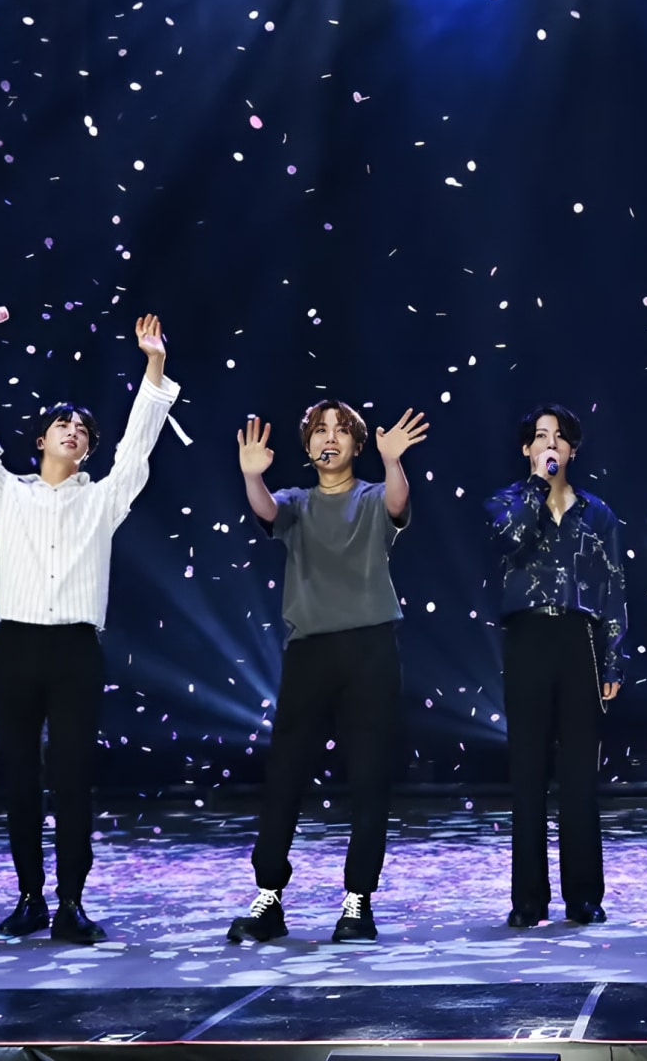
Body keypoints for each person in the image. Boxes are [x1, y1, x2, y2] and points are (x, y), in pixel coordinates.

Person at [0, 311, 181, 944]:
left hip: (76, 649)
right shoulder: (5, 492)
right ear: (40, 440)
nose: (72, 432)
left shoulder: (103, 498)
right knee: (21, 777)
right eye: (61, 425)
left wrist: (155, 364)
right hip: (15, 646)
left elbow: (138, 445)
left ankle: (72, 901)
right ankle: (30, 898)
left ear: (88, 449)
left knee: (73, 778)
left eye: (82, 429)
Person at [226, 400, 427, 944]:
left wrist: (393, 461)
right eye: (319, 430)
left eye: (340, 431)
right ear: (308, 445)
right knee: (285, 774)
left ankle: (358, 900)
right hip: (310, 651)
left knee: (369, 776)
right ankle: (269, 895)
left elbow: (397, 502)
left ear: (358, 445)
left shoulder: (372, 497)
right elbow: (267, 510)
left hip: (370, 649)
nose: (329, 438)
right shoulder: (296, 502)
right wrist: (252, 476)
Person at [484, 403, 627, 928]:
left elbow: (613, 588)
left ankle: (583, 895)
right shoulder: (505, 503)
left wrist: (613, 659)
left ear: (573, 449)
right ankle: (528, 899)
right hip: (527, 637)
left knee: (579, 776)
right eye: (541, 437)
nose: (551, 444)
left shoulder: (598, 513)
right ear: (527, 449)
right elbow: (511, 540)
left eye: (560, 437)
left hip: (579, 639)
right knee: (528, 772)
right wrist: (538, 490)